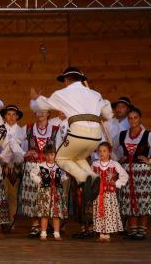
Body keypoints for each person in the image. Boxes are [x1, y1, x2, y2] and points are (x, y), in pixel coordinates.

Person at [30, 66, 113, 203]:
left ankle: (84, 178)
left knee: (61, 158)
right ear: (81, 79)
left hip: (78, 132)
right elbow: (108, 114)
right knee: (76, 157)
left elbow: (40, 106)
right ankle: (92, 175)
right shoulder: (95, 94)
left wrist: (35, 100)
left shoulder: (62, 93)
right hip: (96, 136)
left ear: (67, 80)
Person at [21, 110, 59, 238]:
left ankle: (46, 225)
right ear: (35, 114)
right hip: (32, 166)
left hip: (49, 167)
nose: (41, 113)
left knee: (48, 195)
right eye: (38, 111)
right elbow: (12, 140)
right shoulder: (28, 128)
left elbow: (60, 148)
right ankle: (35, 225)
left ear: (48, 114)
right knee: (33, 195)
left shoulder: (55, 130)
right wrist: (23, 153)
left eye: (44, 111)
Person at [117, 107, 151, 240]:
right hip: (127, 171)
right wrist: (119, 159)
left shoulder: (148, 135)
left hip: (143, 173)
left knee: (143, 200)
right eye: (130, 118)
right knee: (129, 200)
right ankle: (133, 228)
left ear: (140, 118)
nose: (132, 120)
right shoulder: (122, 135)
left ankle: (142, 229)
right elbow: (113, 150)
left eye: (135, 117)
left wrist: (149, 160)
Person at [92, 142, 128, 243]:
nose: (102, 153)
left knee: (108, 213)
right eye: (100, 151)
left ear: (109, 152)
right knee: (99, 212)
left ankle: (107, 234)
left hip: (109, 194)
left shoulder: (114, 164)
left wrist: (116, 183)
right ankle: (101, 233)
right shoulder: (95, 164)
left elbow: (124, 176)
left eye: (104, 151)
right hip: (98, 194)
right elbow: (90, 176)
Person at [0, 105, 25, 227]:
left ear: (17, 117)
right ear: (4, 116)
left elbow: (19, 149)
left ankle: (11, 222)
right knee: (1, 194)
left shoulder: (21, 131)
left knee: (13, 195)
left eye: (14, 114)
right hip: (0, 166)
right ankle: (2, 221)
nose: (11, 117)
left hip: (14, 166)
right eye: (8, 114)